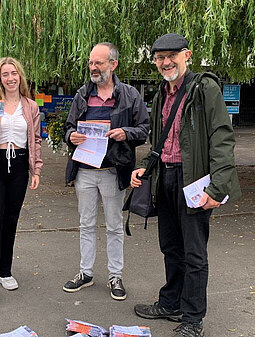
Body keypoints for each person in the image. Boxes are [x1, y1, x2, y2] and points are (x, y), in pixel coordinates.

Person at [131, 33, 242, 337]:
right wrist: (145, 168)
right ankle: (171, 303)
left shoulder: (204, 88)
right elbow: (161, 141)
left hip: (193, 180)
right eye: (159, 58)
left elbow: (221, 137)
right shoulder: (161, 93)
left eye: (171, 56)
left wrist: (218, 187)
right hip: (165, 176)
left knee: (194, 252)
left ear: (187, 55)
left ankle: (193, 318)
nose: (165, 62)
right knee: (170, 246)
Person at [62, 42, 150, 300]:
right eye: (91, 62)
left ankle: (115, 276)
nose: (93, 67)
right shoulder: (82, 95)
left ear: (113, 64)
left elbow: (144, 129)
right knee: (86, 224)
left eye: (98, 62)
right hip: (85, 171)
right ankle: (85, 273)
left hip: (114, 170)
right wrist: (72, 136)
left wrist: (126, 133)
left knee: (113, 227)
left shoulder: (130, 95)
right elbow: (68, 128)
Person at [0, 57, 43, 311]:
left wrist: (36, 169)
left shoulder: (31, 106)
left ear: (20, 76)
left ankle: (4, 271)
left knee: (11, 221)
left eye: (14, 73)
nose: (10, 78)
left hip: (20, 167)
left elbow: (35, 139)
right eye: (5, 74)